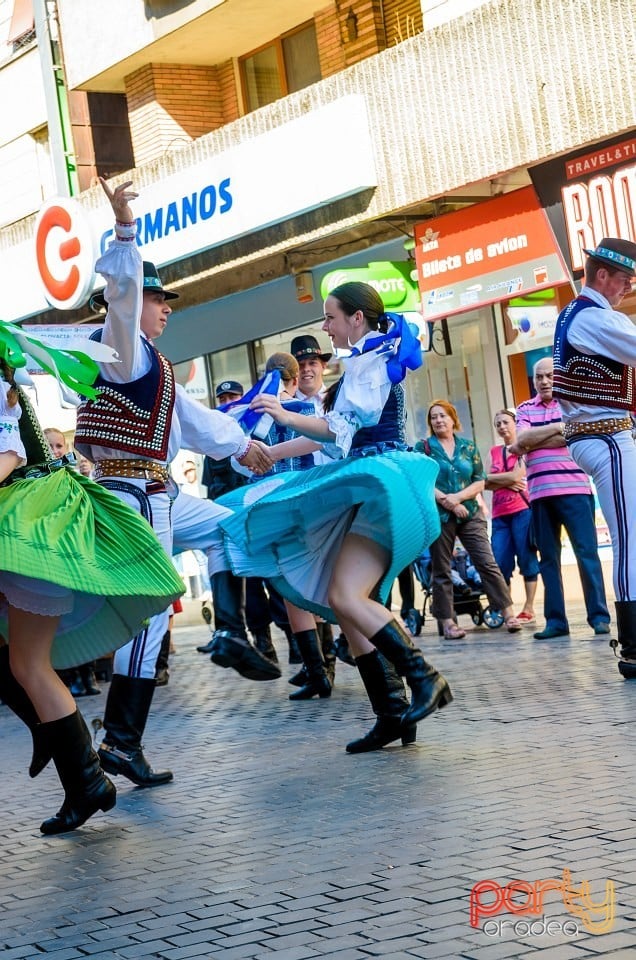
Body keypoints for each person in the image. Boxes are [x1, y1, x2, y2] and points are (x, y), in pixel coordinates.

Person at [75, 178, 276, 789]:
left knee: (228, 526)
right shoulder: (120, 347)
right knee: (149, 615)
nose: (167, 308)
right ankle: (120, 744)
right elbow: (125, 296)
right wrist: (125, 225)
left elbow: (195, 422)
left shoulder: (152, 363)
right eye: (163, 299)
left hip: (156, 491)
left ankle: (227, 632)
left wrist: (246, 446)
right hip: (134, 493)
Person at [223, 281, 452, 753]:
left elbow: (337, 430)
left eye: (330, 317)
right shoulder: (364, 361)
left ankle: (424, 679)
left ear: (357, 318)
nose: (325, 326)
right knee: (345, 602)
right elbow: (330, 438)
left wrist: (283, 415)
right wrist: (268, 452)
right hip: (370, 485)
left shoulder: (370, 361)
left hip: (382, 486)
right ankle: (392, 713)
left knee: (347, 596)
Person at [0, 336, 184, 835]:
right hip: (28, 520)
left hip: (34, 525)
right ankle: (57, 742)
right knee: (21, 663)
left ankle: (85, 779)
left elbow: (8, 455)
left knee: (29, 665)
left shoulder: (1, 387)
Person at [551, 237, 636, 677]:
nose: (626, 288)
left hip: (601, 437)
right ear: (602, 275)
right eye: (624, 279)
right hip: (606, 438)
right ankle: (634, 644)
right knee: (629, 537)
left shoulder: (576, 314)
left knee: (631, 535)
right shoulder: (595, 318)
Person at [511, 357, 610, 640]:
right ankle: (556, 622)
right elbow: (522, 441)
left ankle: (599, 617)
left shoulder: (573, 406)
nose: (544, 381)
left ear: (560, 377)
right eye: (539, 377)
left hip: (576, 491)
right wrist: (557, 430)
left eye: (550, 376)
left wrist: (537, 437)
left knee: (587, 554)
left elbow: (572, 435)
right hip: (540, 495)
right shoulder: (524, 408)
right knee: (548, 559)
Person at [415, 401, 521, 639]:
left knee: (487, 562)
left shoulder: (468, 447)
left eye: (443, 416)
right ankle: (448, 622)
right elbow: (421, 480)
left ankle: (508, 613)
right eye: (434, 418)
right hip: (440, 514)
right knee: (441, 569)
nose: (439, 420)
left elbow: (480, 480)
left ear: (453, 419)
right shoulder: (424, 449)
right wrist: (447, 501)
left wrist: (459, 499)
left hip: (470, 512)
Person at [485, 408, 539, 624]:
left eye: (505, 422)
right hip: (500, 515)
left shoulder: (524, 448)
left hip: (522, 511)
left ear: (515, 423)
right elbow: (485, 481)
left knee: (527, 558)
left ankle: (529, 607)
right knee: (499, 562)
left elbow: (519, 475)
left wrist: (498, 479)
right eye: (498, 423)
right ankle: (505, 608)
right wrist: (502, 480)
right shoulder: (494, 451)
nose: (502, 427)